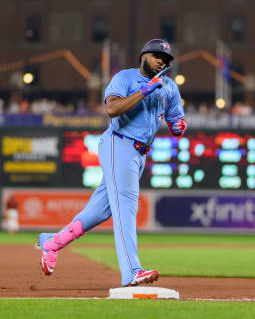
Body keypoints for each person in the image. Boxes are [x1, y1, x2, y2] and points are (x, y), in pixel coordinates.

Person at [37, 39, 186, 287]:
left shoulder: (169, 87)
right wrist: (143, 91)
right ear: (142, 57)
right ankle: (131, 271)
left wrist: (179, 125)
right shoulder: (125, 78)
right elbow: (112, 109)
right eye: (156, 55)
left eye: (165, 58)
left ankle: (52, 243)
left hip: (140, 153)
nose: (162, 60)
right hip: (119, 143)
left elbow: (176, 121)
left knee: (100, 211)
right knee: (126, 208)